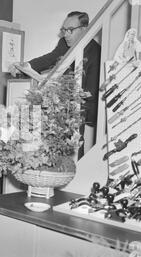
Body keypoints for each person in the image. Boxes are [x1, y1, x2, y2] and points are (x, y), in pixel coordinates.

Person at [10, 11, 101, 155]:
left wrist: (65, 92)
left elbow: (90, 93)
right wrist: (24, 66)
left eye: (70, 30)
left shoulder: (96, 52)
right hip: (61, 102)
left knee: (72, 147)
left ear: (84, 29)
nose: (66, 34)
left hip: (82, 107)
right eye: (64, 30)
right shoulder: (65, 43)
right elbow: (50, 58)